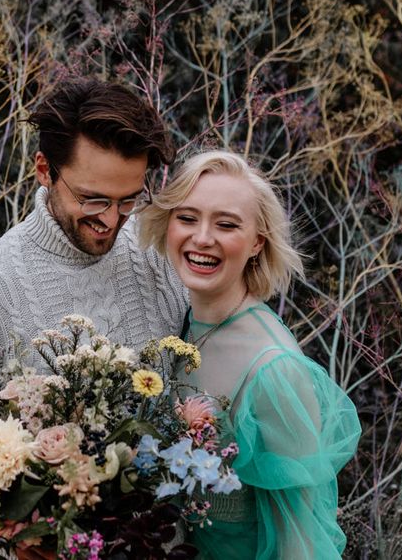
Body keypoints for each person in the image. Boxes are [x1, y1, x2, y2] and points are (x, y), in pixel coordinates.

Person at [139, 150, 361, 559]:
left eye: (226, 225)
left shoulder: (274, 370)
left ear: (257, 241)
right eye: (187, 218)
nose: (202, 238)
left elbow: (299, 539)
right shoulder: (179, 320)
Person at [0, 79, 187, 383]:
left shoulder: (161, 247)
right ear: (44, 170)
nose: (112, 219)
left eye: (128, 199)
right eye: (92, 200)